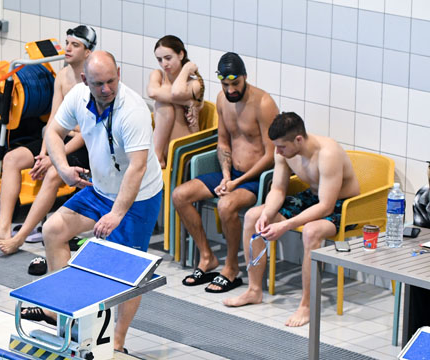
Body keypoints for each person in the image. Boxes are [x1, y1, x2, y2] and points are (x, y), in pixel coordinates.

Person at [24, 51, 163, 354]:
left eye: (111, 81)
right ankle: (63, 314)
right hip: (101, 189)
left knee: (128, 270)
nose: (106, 89)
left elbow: (137, 167)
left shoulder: (133, 110)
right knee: (54, 230)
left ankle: (118, 341)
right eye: (98, 83)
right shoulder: (78, 97)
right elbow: (54, 133)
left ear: (119, 74)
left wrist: (117, 213)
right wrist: (62, 169)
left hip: (137, 196)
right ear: (86, 80)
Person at [224, 112, 360, 327]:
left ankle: (306, 305)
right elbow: (278, 188)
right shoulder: (284, 152)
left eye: (281, 147)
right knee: (253, 216)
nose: (277, 152)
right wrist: (268, 214)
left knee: (311, 231)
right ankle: (254, 290)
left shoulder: (328, 154)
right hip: (313, 197)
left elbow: (325, 206)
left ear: (298, 139)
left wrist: (285, 224)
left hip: (345, 206)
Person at [0, 26, 96, 254]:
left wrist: (54, 160)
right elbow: (53, 122)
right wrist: (44, 153)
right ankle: (3, 226)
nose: (67, 48)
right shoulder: (62, 76)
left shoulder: (93, 81)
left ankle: (20, 237)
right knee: (12, 158)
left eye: (75, 45)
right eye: (67, 43)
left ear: (88, 52)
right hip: (58, 140)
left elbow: (87, 133)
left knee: (52, 173)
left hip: (85, 146)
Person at [173, 52, 278, 293]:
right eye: (225, 84)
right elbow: (223, 142)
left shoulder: (263, 103)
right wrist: (226, 175)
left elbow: (271, 155)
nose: (230, 90)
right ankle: (207, 257)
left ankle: (231, 268)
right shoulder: (222, 99)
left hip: (256, 180)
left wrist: (238, 180)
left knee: (226, 206)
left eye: (235, 83)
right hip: (232, 175)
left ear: (245, 77)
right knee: (180, 195)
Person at [146, 35, 204, 168]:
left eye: (168, 58)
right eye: (159, 59)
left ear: (181, 54)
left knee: (163, 103)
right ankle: (157, 155)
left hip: (184, 148)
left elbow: (176, 92)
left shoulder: (194, 84)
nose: (163, 64)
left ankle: (156, 155)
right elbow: (152, 92)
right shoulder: (158, 75)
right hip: (164, 146)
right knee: (164, 105)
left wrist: (185, 69)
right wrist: (184, 102)